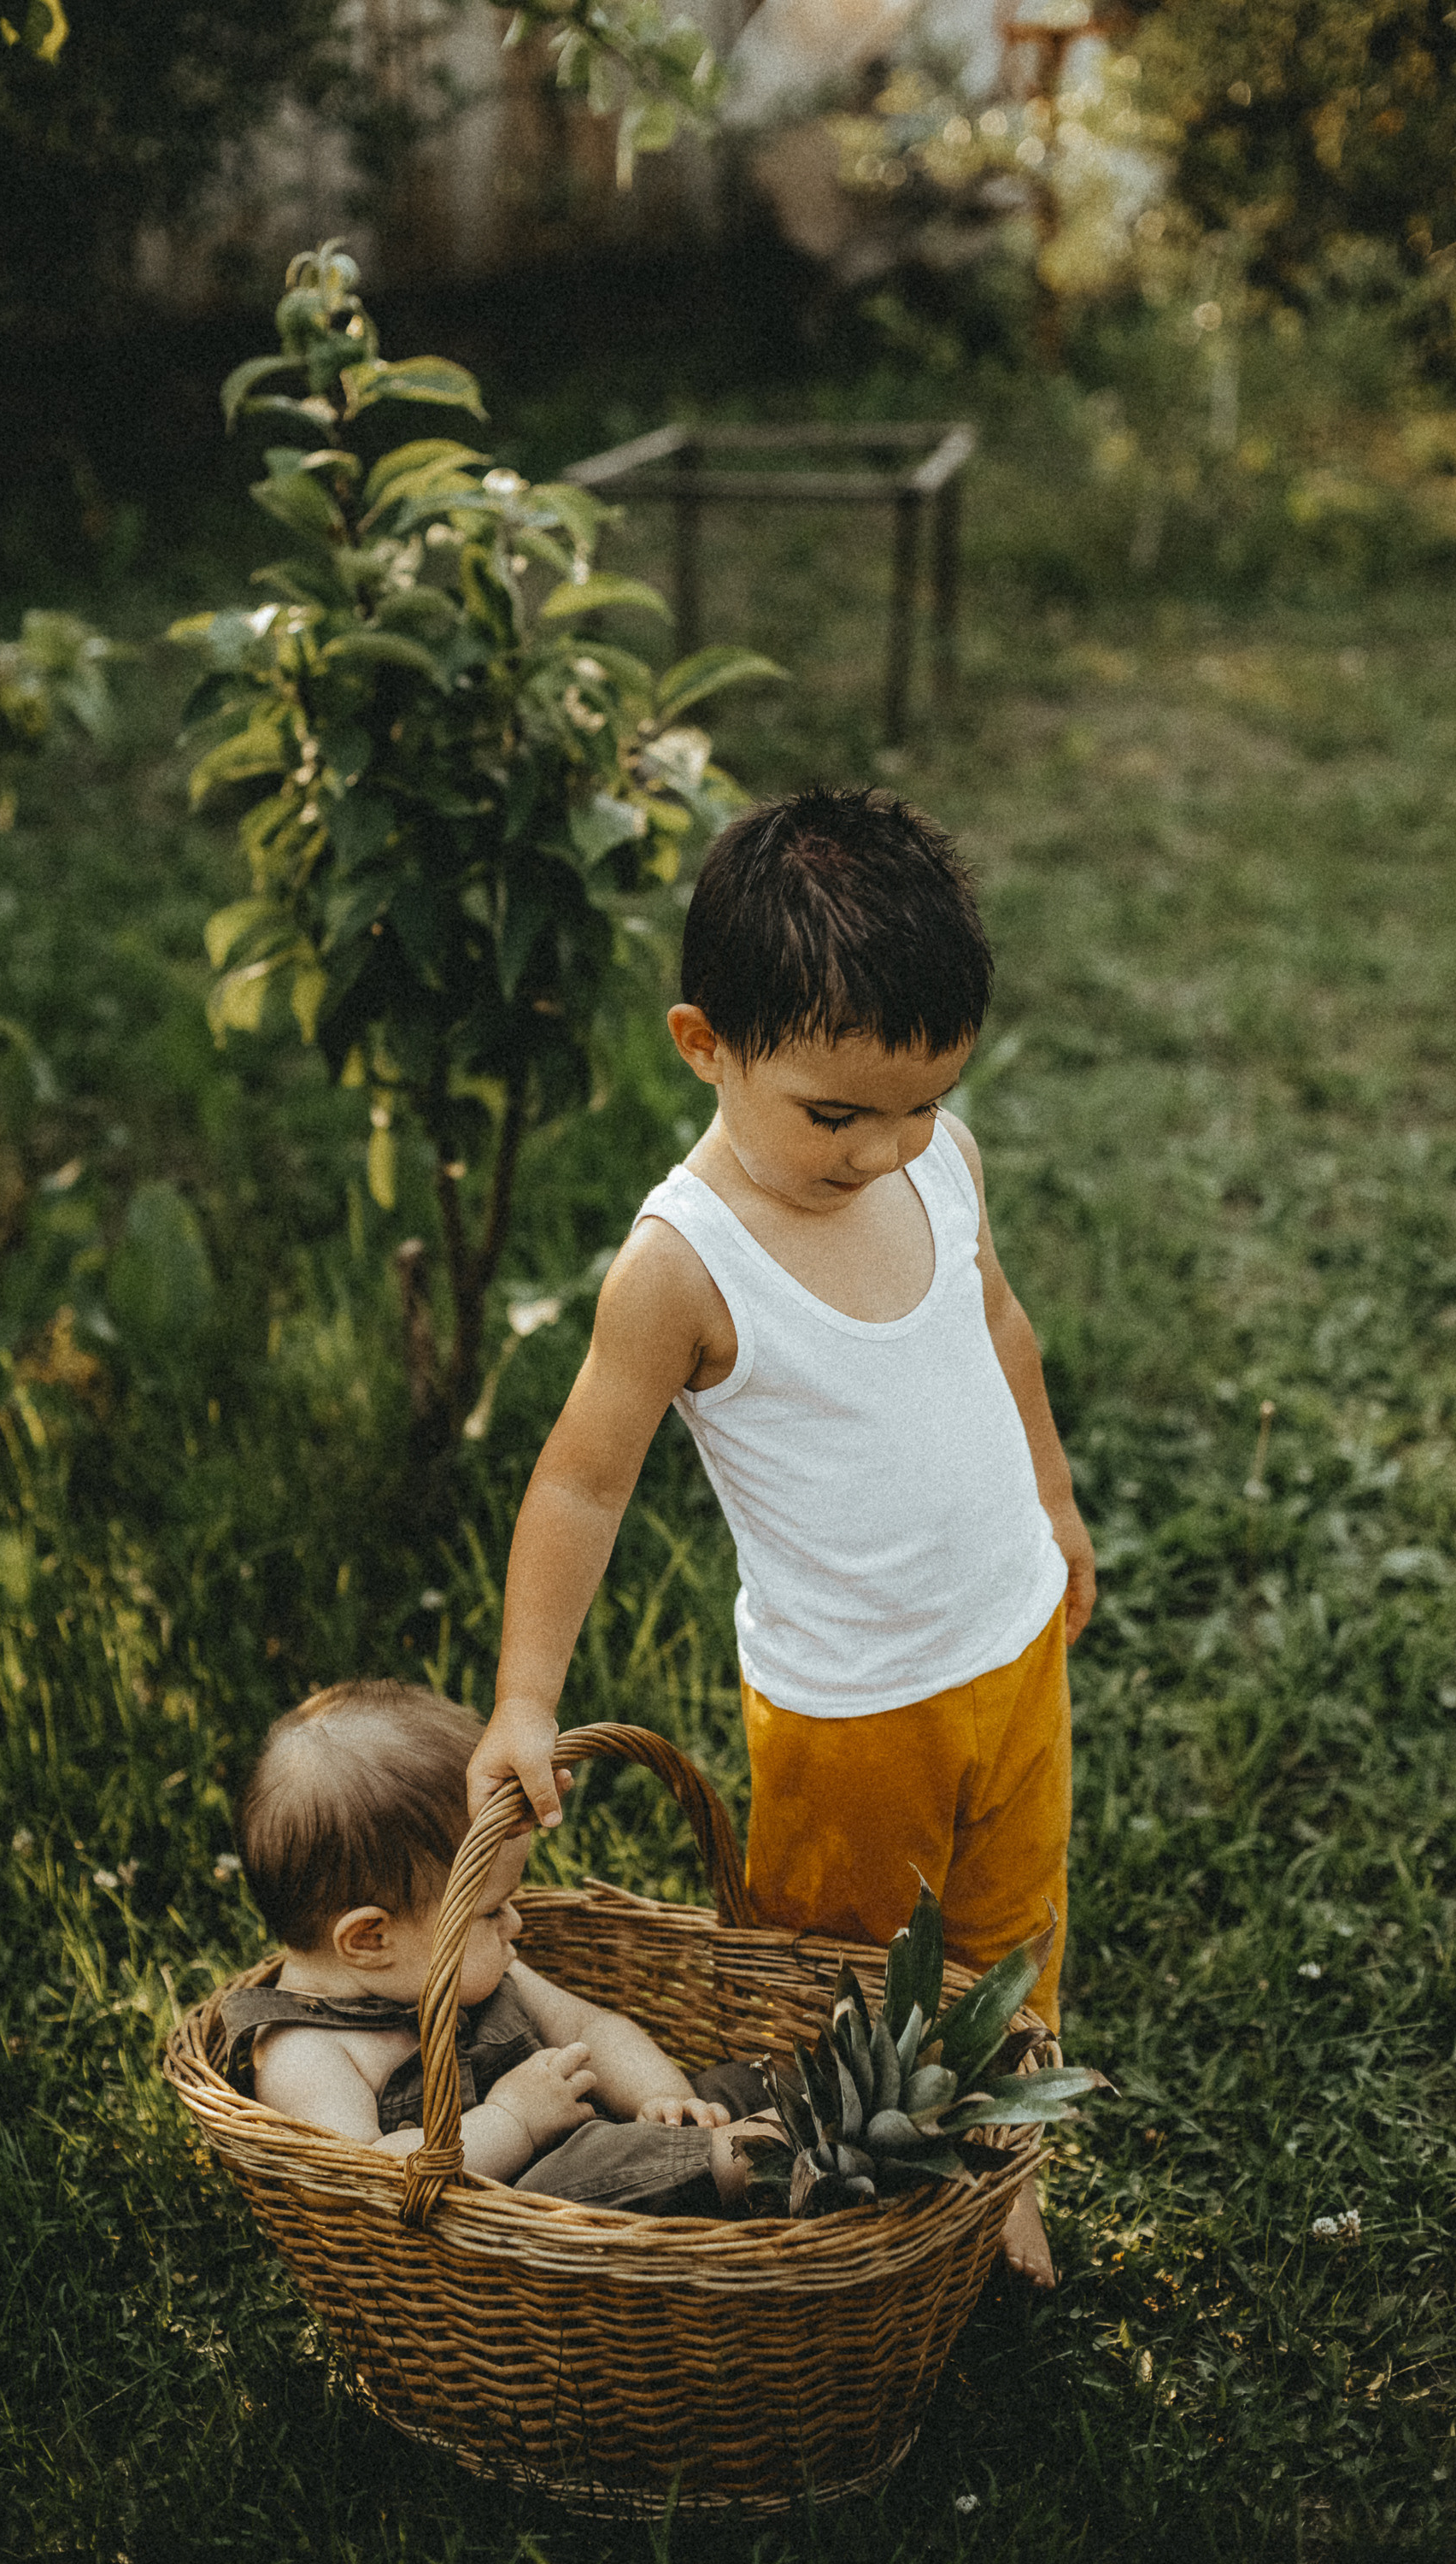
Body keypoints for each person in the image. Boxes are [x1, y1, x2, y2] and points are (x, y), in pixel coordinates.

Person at [467, 785, 1096, 2284]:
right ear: (707, 1047)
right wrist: (525, 1699)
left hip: (1011, 1651)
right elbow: (580, 1485)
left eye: (922, 1102)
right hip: (848, 1719)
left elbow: (999, 1327)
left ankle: (998, 2174)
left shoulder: (940, 1162)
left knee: (1015, 1940)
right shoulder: (683, 1266)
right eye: (836, 1114)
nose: (886, 1151)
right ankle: (844, 2256)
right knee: (847, 1996)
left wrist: (1054, 1504)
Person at [220, 1679, 773, 2213]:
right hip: (535, 2216)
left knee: (735, 2085)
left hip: (627, 2146)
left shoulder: (465, 1968)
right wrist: (512, 2120)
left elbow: (590, 2029)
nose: (515, 1924)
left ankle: (770, 2126)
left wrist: (666, 2098)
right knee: (591, 2169)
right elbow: (361, 2180)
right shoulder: (306, 2053)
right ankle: (768, 2164)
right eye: (489, 1910)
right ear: (371, 1939)